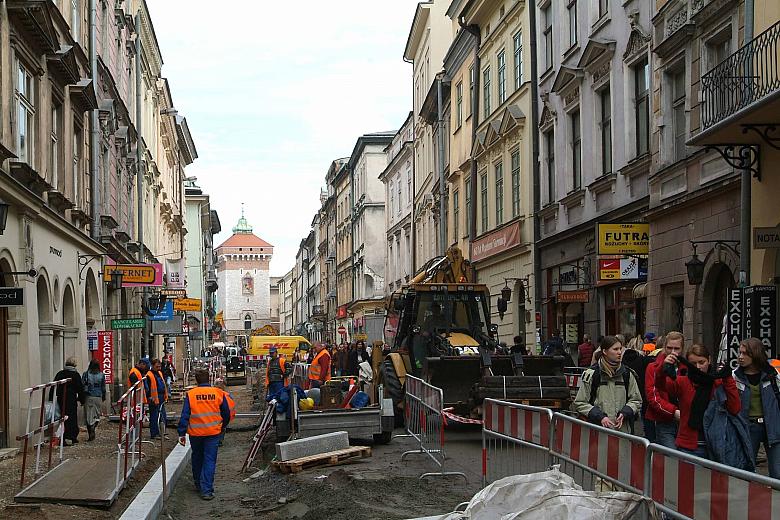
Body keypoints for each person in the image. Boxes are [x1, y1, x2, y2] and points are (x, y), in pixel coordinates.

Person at [657, 344, 740, 458]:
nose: (698, 367)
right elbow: (660, 385)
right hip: (688, 446)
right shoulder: (682, 382)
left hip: (716, 446)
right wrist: (664, 366)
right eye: (693, 364)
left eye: (702, 362)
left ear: (709, 360)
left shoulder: (718, 382)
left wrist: (728, 379)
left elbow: (734, 408)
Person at [178, 369, 231, 500]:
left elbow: (185, 415)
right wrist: (222, 426)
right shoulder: (218, 393)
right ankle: (206, 490)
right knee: (209, 460)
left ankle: (198, 484)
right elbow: (226, 413)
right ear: (209, 379)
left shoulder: (191, 394)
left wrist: (182, 433)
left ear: (196, 380)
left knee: (197, 458)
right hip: (213, 433)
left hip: (196, 434)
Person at [573, 336, 642, 434]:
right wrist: (600, 417)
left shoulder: (627, 374)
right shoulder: (592, 374)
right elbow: (580, 402)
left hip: (623, 432)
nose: (619, 352)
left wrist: (625, 412)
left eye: (620, 349)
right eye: (615, 349)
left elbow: (636, 400)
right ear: (605, 351)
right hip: (597, 432)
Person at [734, 338, 780, 478]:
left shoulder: (772, 375)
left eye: (745, 353)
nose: (740, 357)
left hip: (772, 425)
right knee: (746, 470)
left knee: (777, 472)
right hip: (748, 426)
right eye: (739, 353)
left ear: (755, 355)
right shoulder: (735, 376)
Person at [643, 332, 682, 448]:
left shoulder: (685, 367)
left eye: (677, 348)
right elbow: (652, 396)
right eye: (669, 348)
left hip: (684, 421)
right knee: (670, 457)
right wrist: (673, 411)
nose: (673, 352)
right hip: (663, 419)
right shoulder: (653, 367)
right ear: (664, 347)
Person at [52, 357, 86, 445]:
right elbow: (80, 388)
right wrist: (82, 400)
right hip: (71, 398)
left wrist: (51, 398)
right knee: (71, 417)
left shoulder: (60, 373)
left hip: (61, 398)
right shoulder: (75, 374)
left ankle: (64, 436)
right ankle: (71, 436)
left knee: (62, 416)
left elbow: (54, 385)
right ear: (74, 365)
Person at [82, 359, 106, 441]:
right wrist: (104, 396)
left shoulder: (86, 374)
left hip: (89, 396)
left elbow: (82, 385)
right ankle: (94, 426)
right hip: (98, 396)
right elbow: (103, 387)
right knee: (97, 414)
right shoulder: (102, 375)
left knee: (89, 415)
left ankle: (90, 430)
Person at [146, 359, 168, 440]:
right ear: (152, 365)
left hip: (161, 397)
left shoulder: (159, 373)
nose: (158, 367)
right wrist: (149, 397)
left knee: (162, 416)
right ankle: (154, 433)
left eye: (159, 366)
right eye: (157, 366)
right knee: (154, 416)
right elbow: (147, 388)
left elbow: (163, 384)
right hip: (154, 398)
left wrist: (166, 395)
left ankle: (162, 432)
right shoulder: (149, 375)